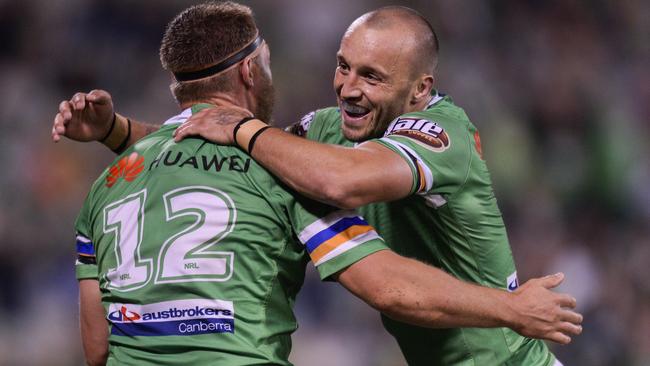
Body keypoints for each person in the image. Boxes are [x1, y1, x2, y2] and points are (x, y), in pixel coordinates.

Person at [54, 3, 582, 366]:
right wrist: (120, 132)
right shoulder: (324, 132)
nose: (347, 89)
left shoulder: (443, 134)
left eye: (372, 77)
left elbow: (341, 179)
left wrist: (241, 126)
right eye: (343, 66)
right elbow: (212, 148)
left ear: (421, 89)